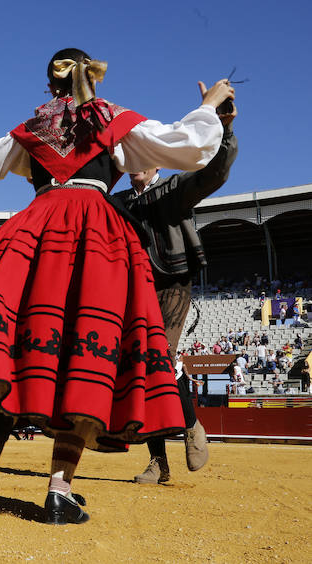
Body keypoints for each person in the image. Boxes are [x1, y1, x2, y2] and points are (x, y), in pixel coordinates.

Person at [0, 48, 232, 524]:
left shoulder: (34, 128)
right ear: (93, 76)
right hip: (97, 237)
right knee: (87, 359)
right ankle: (59, 488)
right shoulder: (110, 119)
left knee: (18, 327)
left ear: (49, 86)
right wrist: (211, 105)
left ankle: (3, 407)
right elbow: (185, 146)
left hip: (38, 228)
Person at [120, 90, 237, 484]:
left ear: (157, 157)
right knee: (143, 369)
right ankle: (159, 461)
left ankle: (190, 425)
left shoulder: (174, 189)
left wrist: (224, 130)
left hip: (172, 286)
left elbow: (213, 174)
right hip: (135, 292)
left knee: (157, 359)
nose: (135, 163)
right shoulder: (117, 203)